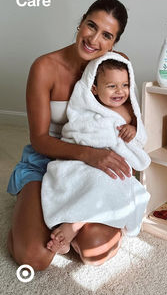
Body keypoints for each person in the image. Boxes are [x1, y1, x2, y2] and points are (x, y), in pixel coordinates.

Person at [7, 0, 133, 270]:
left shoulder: (116, 67)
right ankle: (30, 208)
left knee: (94, 250)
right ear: (81, 22)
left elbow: (127, 118)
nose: (94, 39)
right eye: (91, 25)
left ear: (114, 44)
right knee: (34, 257)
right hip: (46, 160)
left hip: (93, 166)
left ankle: (78, 223)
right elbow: (39, 139)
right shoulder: (44, 67)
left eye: (106, 35)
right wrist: (90, 154)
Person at [41, 55, 150, 254]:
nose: (120, 91)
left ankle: (74, 224)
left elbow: (140, 140)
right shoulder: (85, 111)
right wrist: (96, 144)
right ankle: (73, 222)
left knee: (105, 182)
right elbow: (75, 132)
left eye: (125, 85)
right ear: (93, 89)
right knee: (83, 181)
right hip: (82, 161)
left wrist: (132, 132)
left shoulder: (127, 110)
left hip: (111, 163)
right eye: (111, 86)